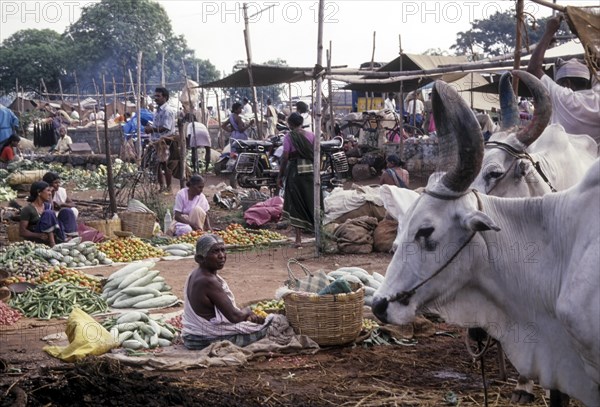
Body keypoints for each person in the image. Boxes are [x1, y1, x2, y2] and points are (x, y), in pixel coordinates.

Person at [182, 234, 269, 350]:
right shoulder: (208, 281)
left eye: (223, 250)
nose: (222, 256)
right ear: (200, 258)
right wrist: (248, 311)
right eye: (215, 251)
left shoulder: (196, 274)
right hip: (203, 339)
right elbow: (235, 317)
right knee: (272, 327)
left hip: (194, 335)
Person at [527, 14, 600, 152]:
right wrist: (581, 32)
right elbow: (596, 62)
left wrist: (549, 32)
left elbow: (533, 69)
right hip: (591, 169)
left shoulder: (563, 98)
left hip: (563, 169)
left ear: (566, 83)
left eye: (559, 83)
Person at [277, 112, 316, 248]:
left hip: (295, 173)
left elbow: (285, 157)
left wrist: (280, 175)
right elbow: (317, 153)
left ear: (290, 124)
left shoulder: (289, 137)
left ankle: (298, 240)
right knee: (313, 201)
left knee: (296, 205)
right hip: (311, 172)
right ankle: (318, 235)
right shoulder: (312, 135)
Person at [144, 87, 178, 192]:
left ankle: (168, 187)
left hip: (165, 141)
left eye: (158, 96)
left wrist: (152, 129)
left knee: (165, 165)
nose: (156, 98)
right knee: (157, 165)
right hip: (156, 141)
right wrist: (150, 129)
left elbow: (166, 127)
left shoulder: (167, 111)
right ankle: (162, 187)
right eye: (155, 96)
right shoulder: (158, 111)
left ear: (165, 97)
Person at [19, 181, 70, 247]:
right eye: (48, 191)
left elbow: (52, 220)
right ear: (39, 192)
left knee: (66, 212)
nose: (50, 193)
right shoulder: (28, 209)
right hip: (38, 237)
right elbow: (22, 232)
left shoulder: (47, 206)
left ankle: (69, 237)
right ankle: (53, 244)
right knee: (48, 213)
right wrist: (38, 235)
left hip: (52, 235)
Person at [42, 172, 79, 238]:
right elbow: (50, 209)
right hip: (49, 216)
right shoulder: (43, 193)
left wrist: (62, 204)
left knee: (73, 210)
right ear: (49, 184)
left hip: (61, 213)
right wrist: (50, 193)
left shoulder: (61, 191)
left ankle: (68, 232)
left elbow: (73, 204)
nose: (58, 185)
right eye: (55, 183)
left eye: (59, 182)